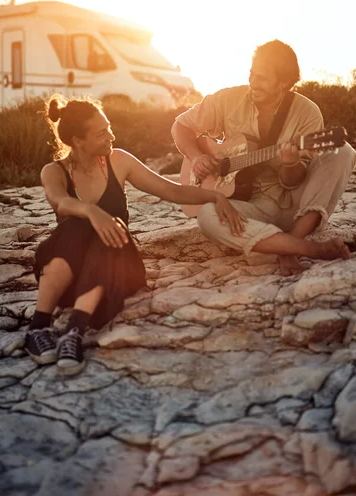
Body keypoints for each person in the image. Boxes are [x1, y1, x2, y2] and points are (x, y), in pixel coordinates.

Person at [26, 94, 246, 376]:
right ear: (79, 141)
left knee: (112, 230)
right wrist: (92, 212)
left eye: (108, 126)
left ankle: (74, 333)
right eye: (101, 132)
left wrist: (215, 197)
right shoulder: (53, 171)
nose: (111, 135)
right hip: (70, 275)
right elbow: (60, 201)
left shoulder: (118, 161)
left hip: (115, 267)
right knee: (76, 226)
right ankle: (38, 327)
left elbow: (172, 191)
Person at [171, 39, 356, 276]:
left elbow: (294, 181)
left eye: (263, 78)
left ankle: (290, 243)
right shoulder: (228, 100)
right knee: (207, 216)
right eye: (252, 74)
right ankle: (304, 248)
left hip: (296, 208)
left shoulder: (307, 112)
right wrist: (197, 157)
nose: (253, 83)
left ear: (284, 83)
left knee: (344, 152)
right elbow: (181, 126)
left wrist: (289, 164)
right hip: (249, 208)